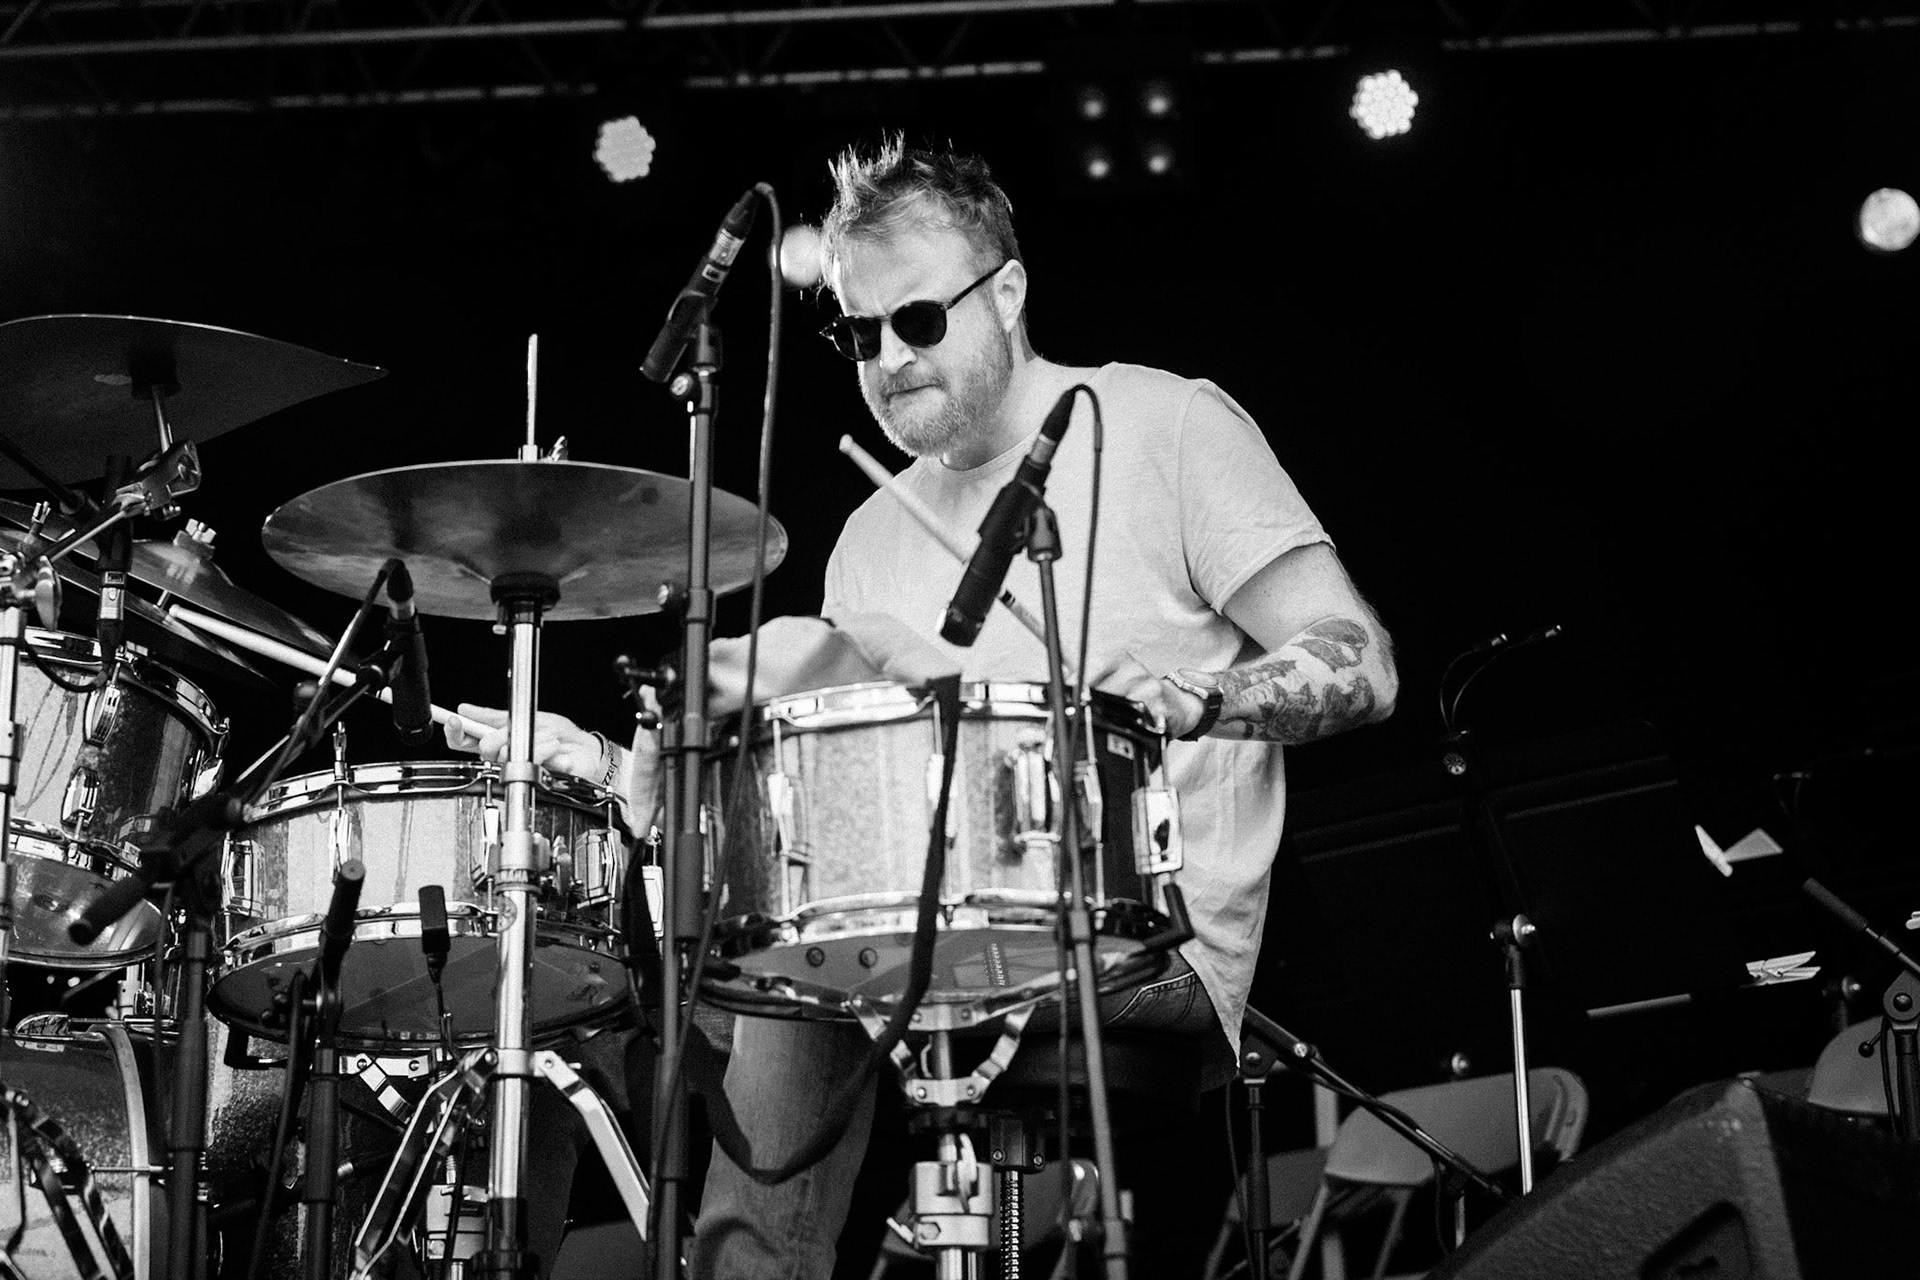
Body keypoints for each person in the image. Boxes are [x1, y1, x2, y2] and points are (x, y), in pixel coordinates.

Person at [448, 136, 1398, 1278]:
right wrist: (620, 771)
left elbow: (1361, 662)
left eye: (919, 320)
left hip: (1140, 930)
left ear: (1008, 291)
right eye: (860, 334)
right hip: (905, 932)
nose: (890, 358)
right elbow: (830, 828)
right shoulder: (870, 535)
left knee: (810, 980)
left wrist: (1195, 699)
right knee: (571, 989)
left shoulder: (1166, 426)